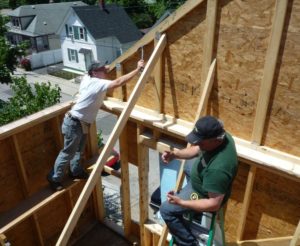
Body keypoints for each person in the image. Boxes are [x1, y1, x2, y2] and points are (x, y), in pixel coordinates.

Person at [47, 59, 145, 191]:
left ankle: (75, 171)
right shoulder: (97, 83)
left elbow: (101, 69)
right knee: (68, 153)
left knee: (78, 150)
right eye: (102, 70)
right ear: (94, 72)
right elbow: (118, 82)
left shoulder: (87, 77)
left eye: (105, 68)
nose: (105, 71)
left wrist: (105, 68)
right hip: (74, 123)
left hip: (81, 123)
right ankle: (54, 178)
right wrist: (137, 69)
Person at [160, 115, 238, 246]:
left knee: (166, 210)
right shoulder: (221, 135)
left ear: (215, 140)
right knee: (189, 165)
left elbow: (214, 204)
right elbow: (197, 149)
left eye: (201, 141)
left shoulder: (218, 169)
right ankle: (191, 207)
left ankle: (188, 243)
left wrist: (182, 202)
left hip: (203, 193)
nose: (196, 143)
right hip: (204, 179)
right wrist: (175, 155)